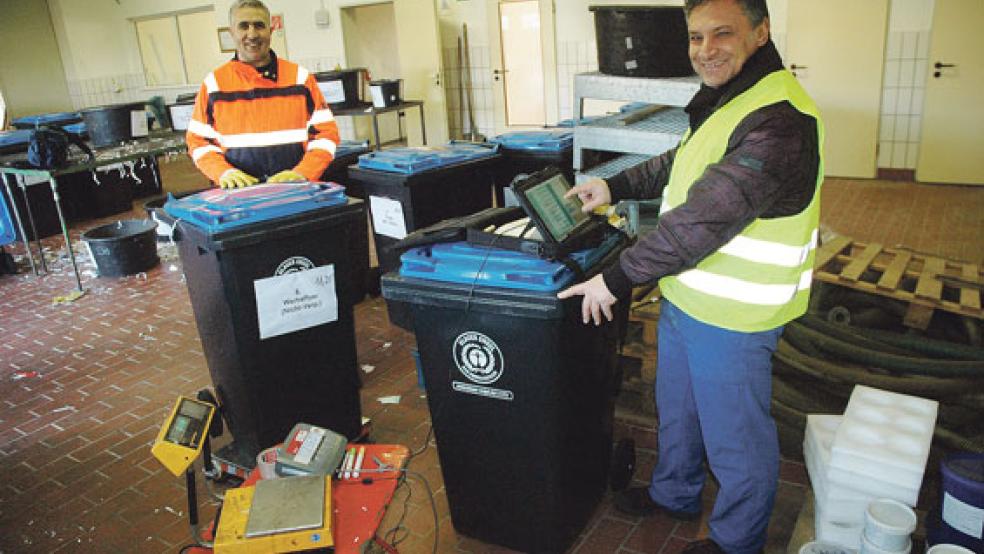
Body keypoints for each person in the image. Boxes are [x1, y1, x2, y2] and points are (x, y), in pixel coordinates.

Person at [558, 0, 823, 552]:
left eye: (721, 34)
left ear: (760, 31)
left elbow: (703, 221)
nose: (706, 51)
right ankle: (674, 493)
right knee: (676, 407)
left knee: (736, 439)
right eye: (696, 37)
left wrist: (615, 279)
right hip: (687, 294)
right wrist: (616, 186)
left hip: (734, 315)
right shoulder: (736, 97)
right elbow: (685, 160)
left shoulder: (779, 119)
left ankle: (735, 541)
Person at [186, 0, 339, 189]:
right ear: (231, 32)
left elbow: (326, 134)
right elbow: (197, 141)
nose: (252, 34)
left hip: (297, 192)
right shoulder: (214, 85)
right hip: (238, 199)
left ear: (271, 29)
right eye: (244, 26)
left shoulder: (300, 79)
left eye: (259, 25)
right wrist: (223, 172)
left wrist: (303, 172)